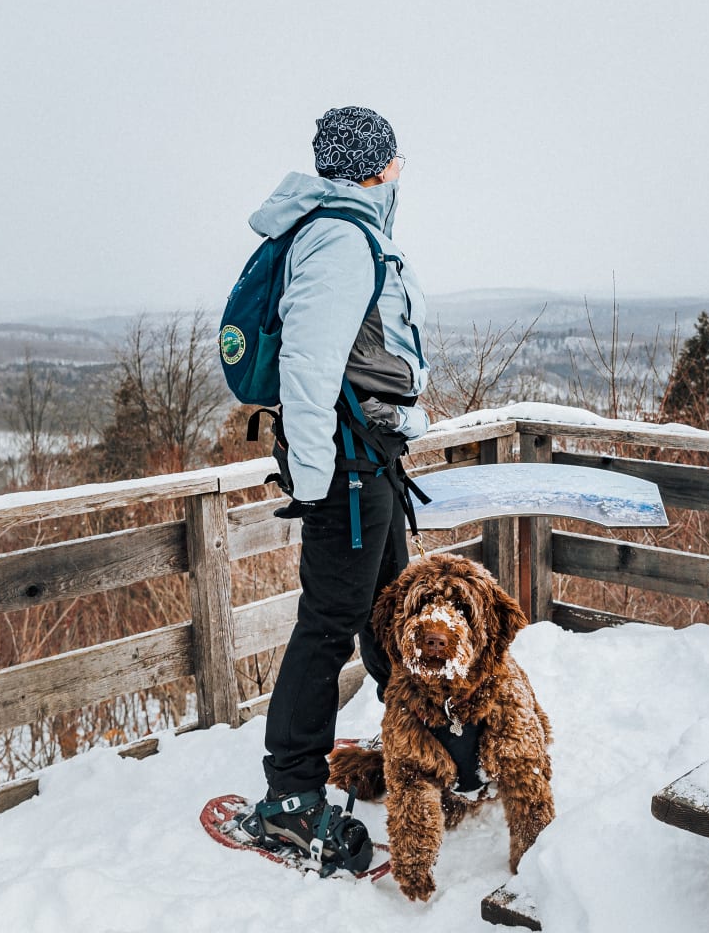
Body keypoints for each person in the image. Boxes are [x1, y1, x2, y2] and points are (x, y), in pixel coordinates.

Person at [236, 106, 430, 873]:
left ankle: (415, 740)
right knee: (328, 625)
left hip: (368, 458)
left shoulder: (350, 231)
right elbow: (309, 370)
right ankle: (289, 795)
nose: (399, 172)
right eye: (394, 161)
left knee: (390, 604)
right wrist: (316, 485)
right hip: (345, 471)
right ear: (373, 166)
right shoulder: (340, 239)